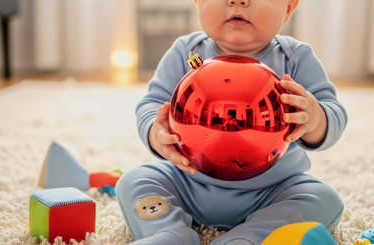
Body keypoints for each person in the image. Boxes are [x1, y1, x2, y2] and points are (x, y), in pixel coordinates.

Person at [116, 0, 348, 244]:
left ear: (288, 8)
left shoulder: (295, 58)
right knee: (135, 181)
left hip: (272, 190)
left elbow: (333, 112)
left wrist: (314, 118)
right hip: (188, 182)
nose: (238, 1)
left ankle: (250, 237)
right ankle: (168, 234)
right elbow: (152, 103)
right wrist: (156, 131)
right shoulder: (185, 51)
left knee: (324, 198)